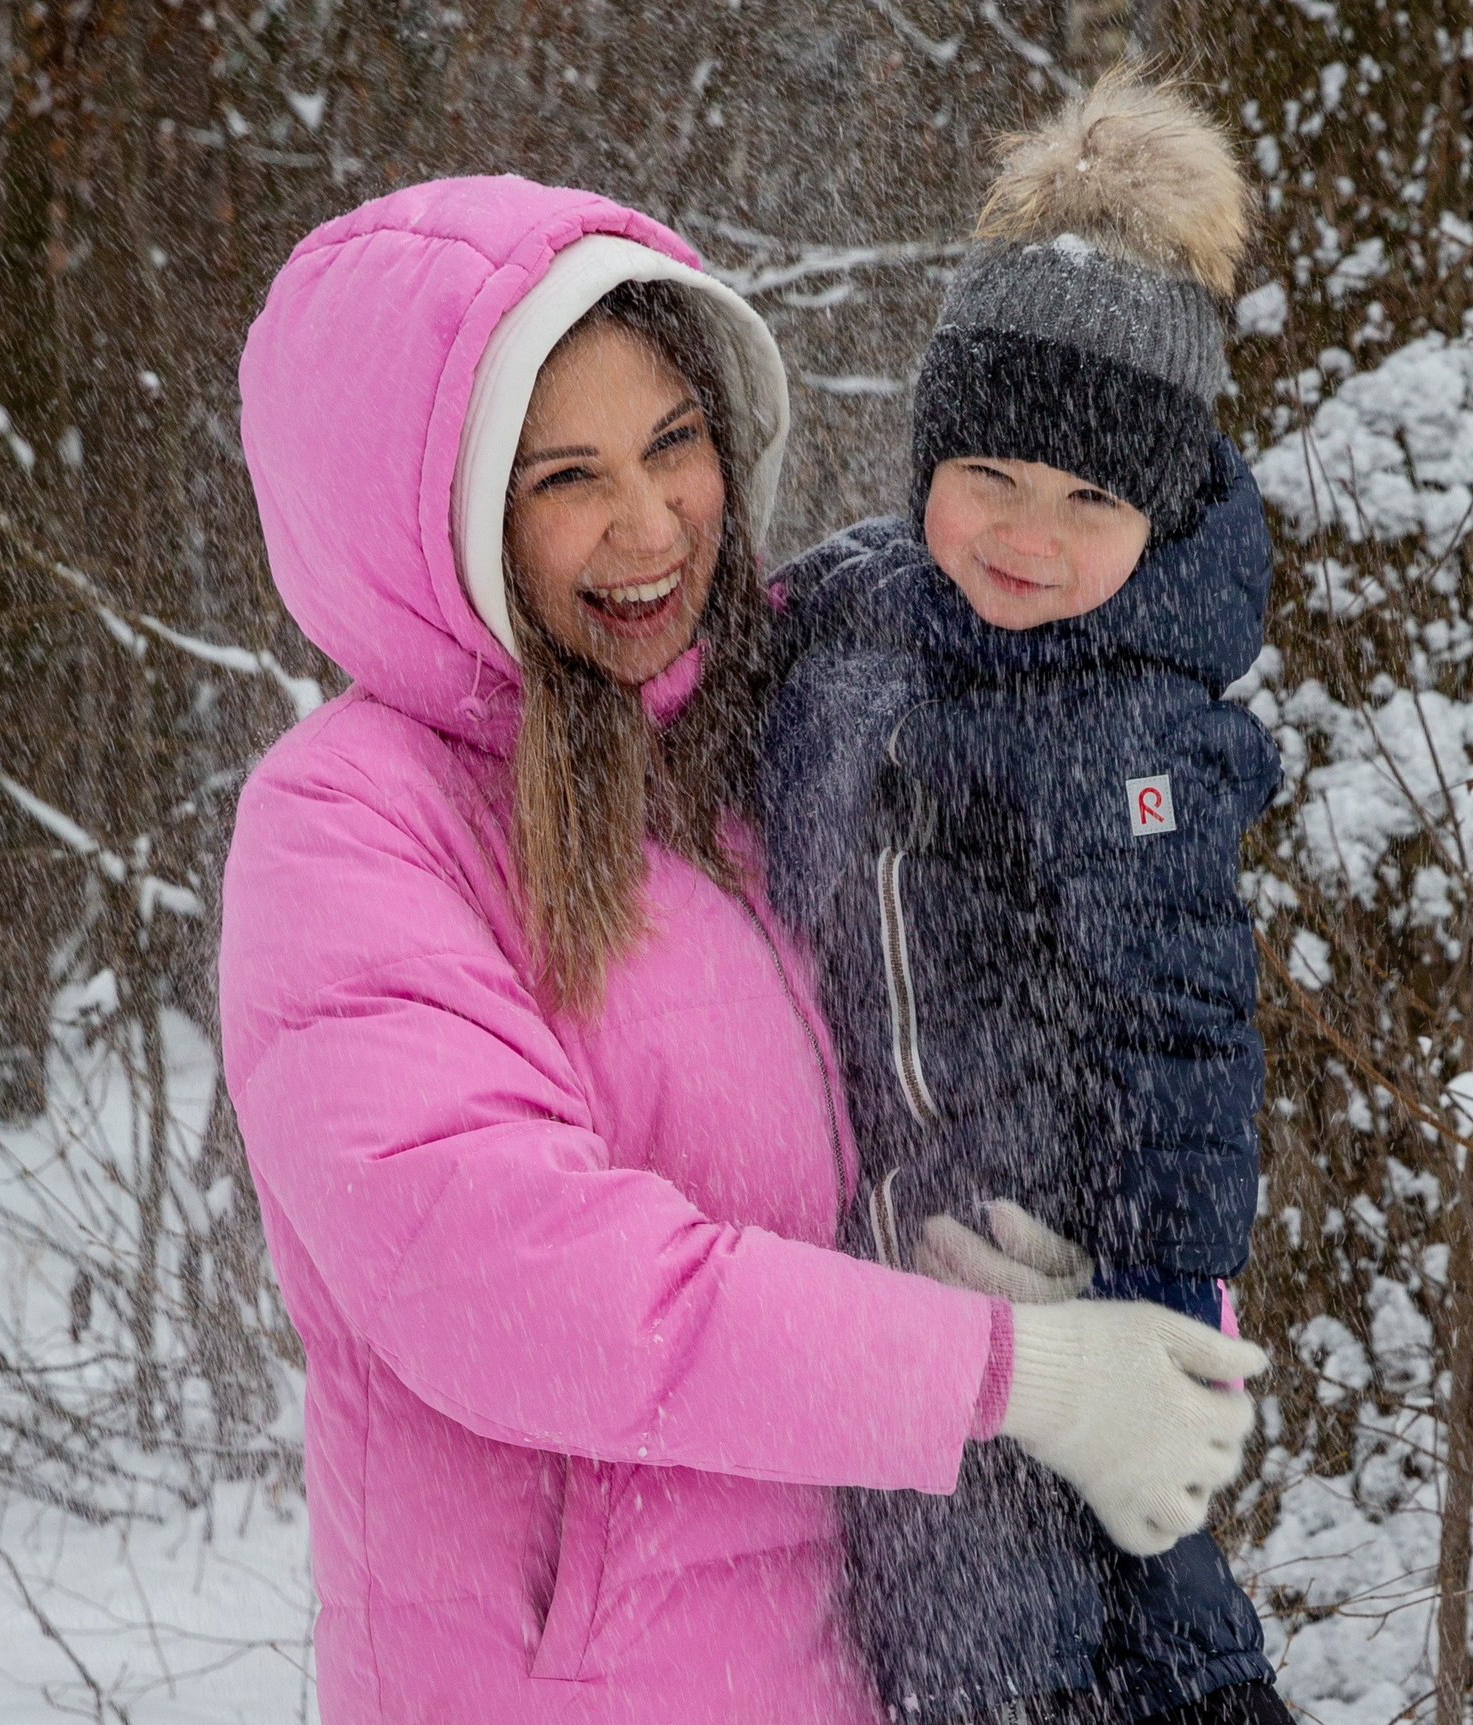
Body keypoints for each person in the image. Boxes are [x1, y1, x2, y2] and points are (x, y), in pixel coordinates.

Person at [220, 174, 1268, 1723]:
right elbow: (516, 1282)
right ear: (428, 514)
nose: (650, 527)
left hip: (860, 1665)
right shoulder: (355, 825)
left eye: (674, 443)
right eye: (563, 476)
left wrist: (1131, 1305)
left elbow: (1013, 1038)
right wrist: (1009, 1371)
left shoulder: (761, 739)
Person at [761, 72, 1289, 1725]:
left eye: (1091, 502)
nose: (1027, 538)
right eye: (987, 470)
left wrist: (1158, 1334)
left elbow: (1183, 1046)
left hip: (1028, 1271)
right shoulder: (860, 614)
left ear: (1157, 513)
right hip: (861, 1267)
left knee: (1035, 1652)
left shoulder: (1129, 734)